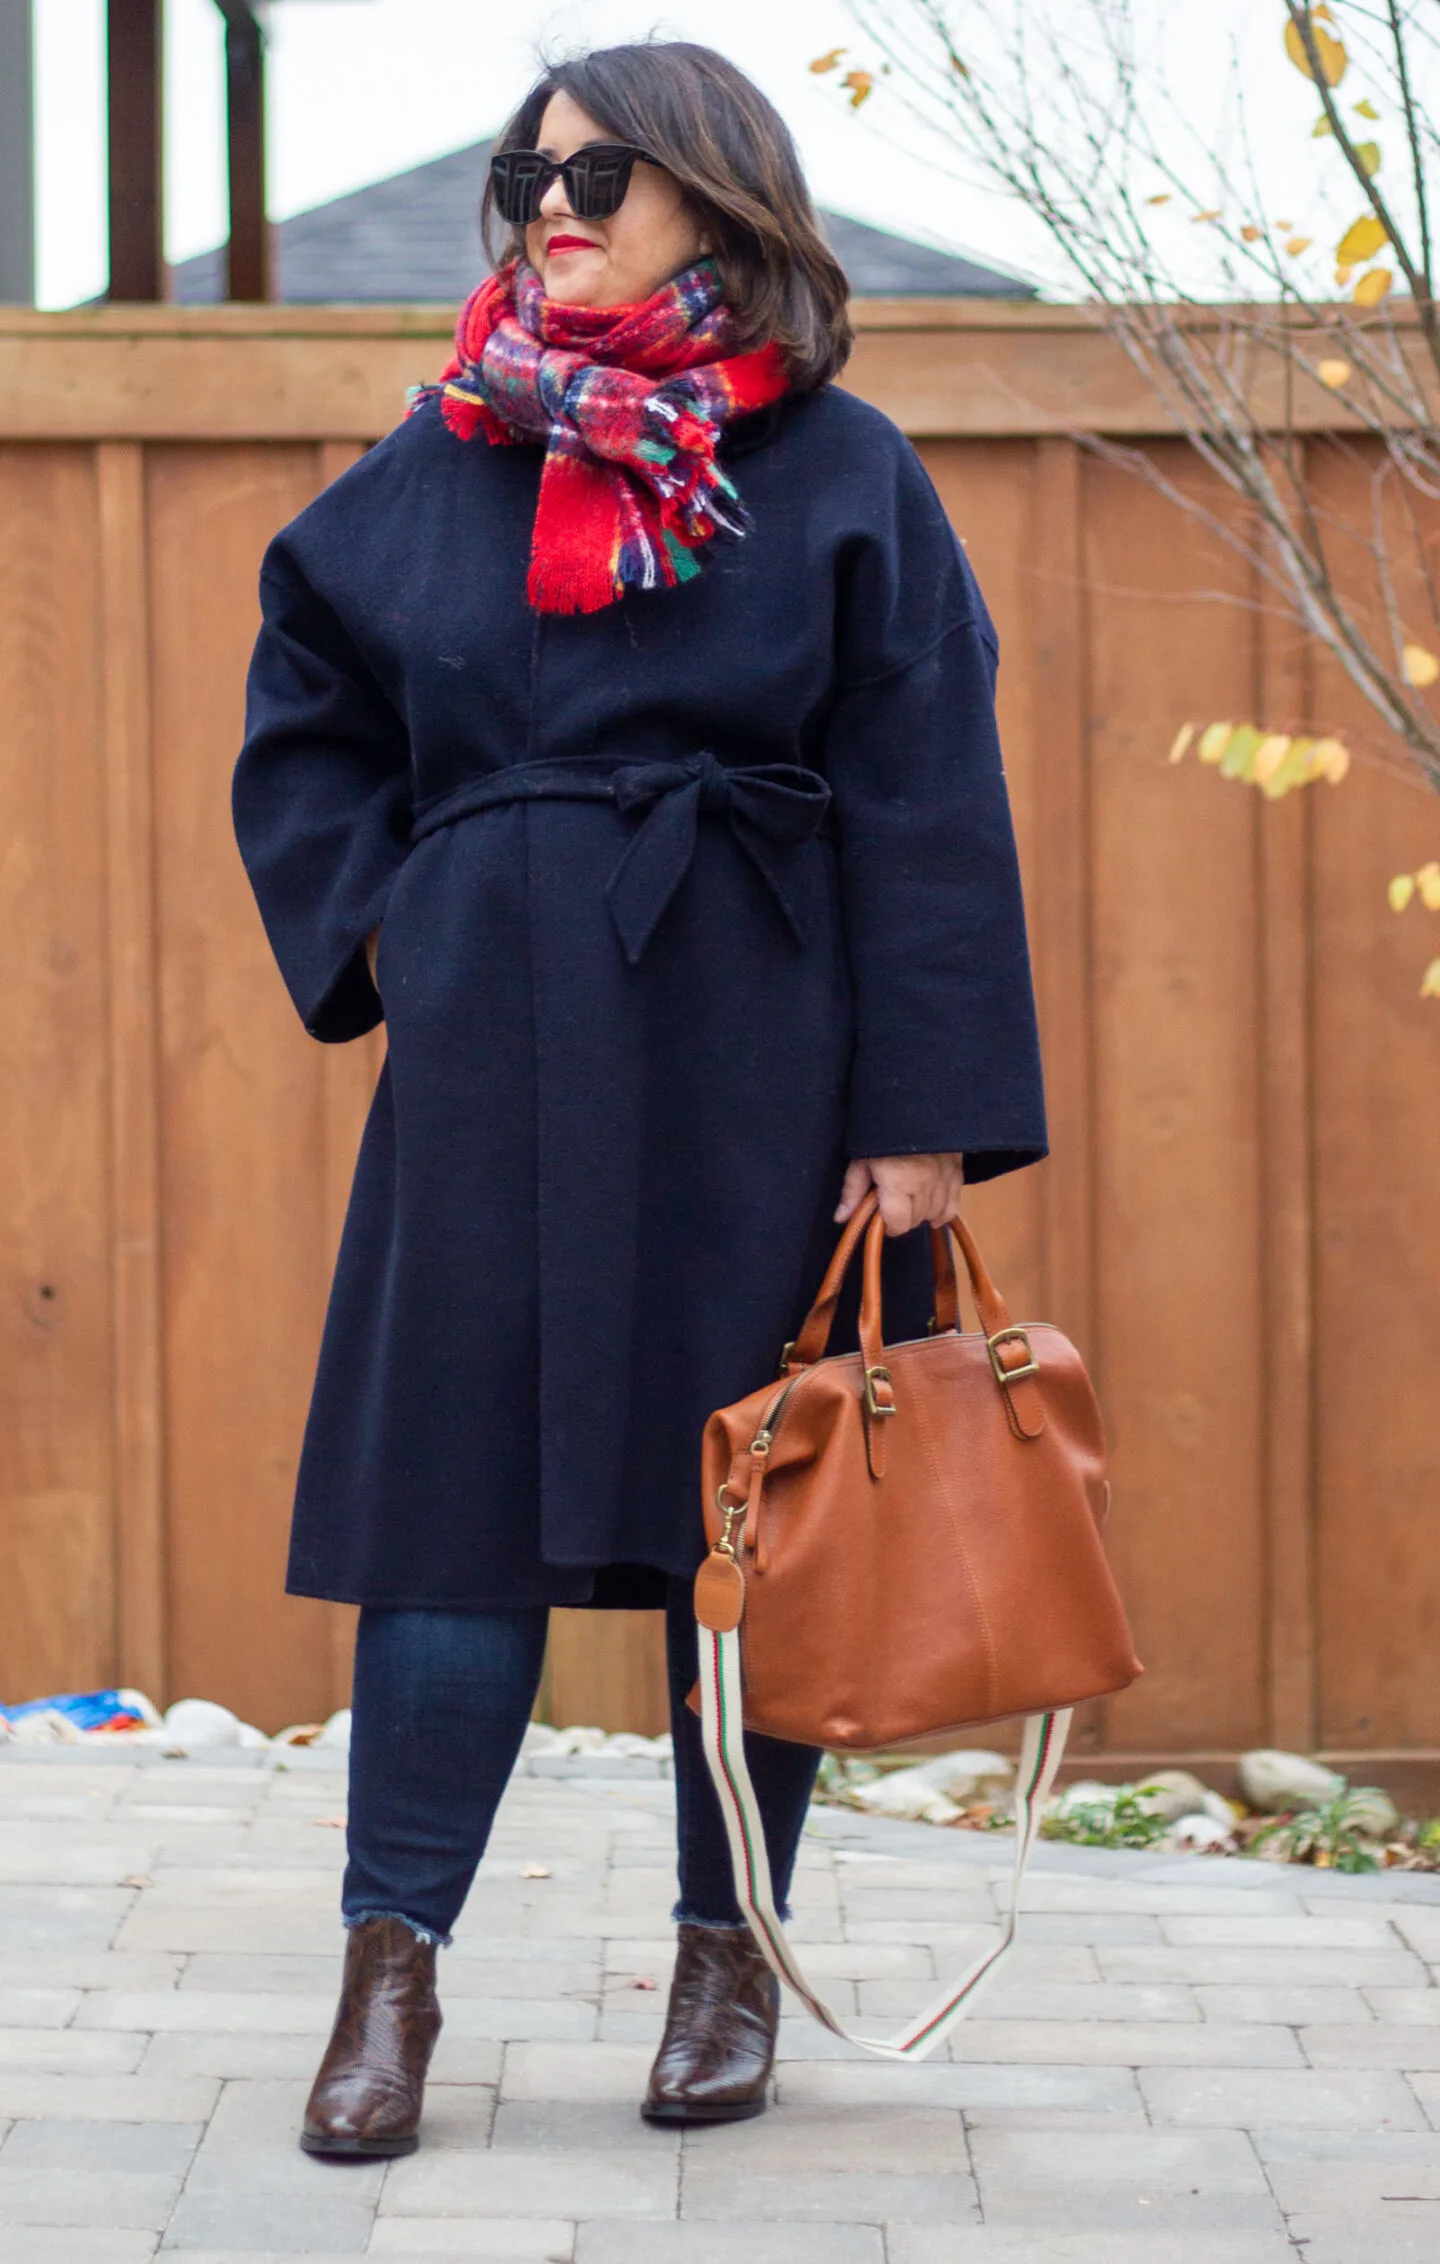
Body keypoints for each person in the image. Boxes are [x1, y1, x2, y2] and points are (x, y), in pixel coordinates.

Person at [232, 38, 1046, 2157]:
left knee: (755, 1512)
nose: (550, 206)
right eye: (527, 177)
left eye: (595, 173)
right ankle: (386, 1974)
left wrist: (923, 1111)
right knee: (444, 1520)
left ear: (719, 193)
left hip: (755, 1053)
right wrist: (397, 930)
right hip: (492, 1044)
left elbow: (929, 804)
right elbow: (303, 712)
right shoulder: (438, 462)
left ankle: (727, 1955)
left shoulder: (852, 470)